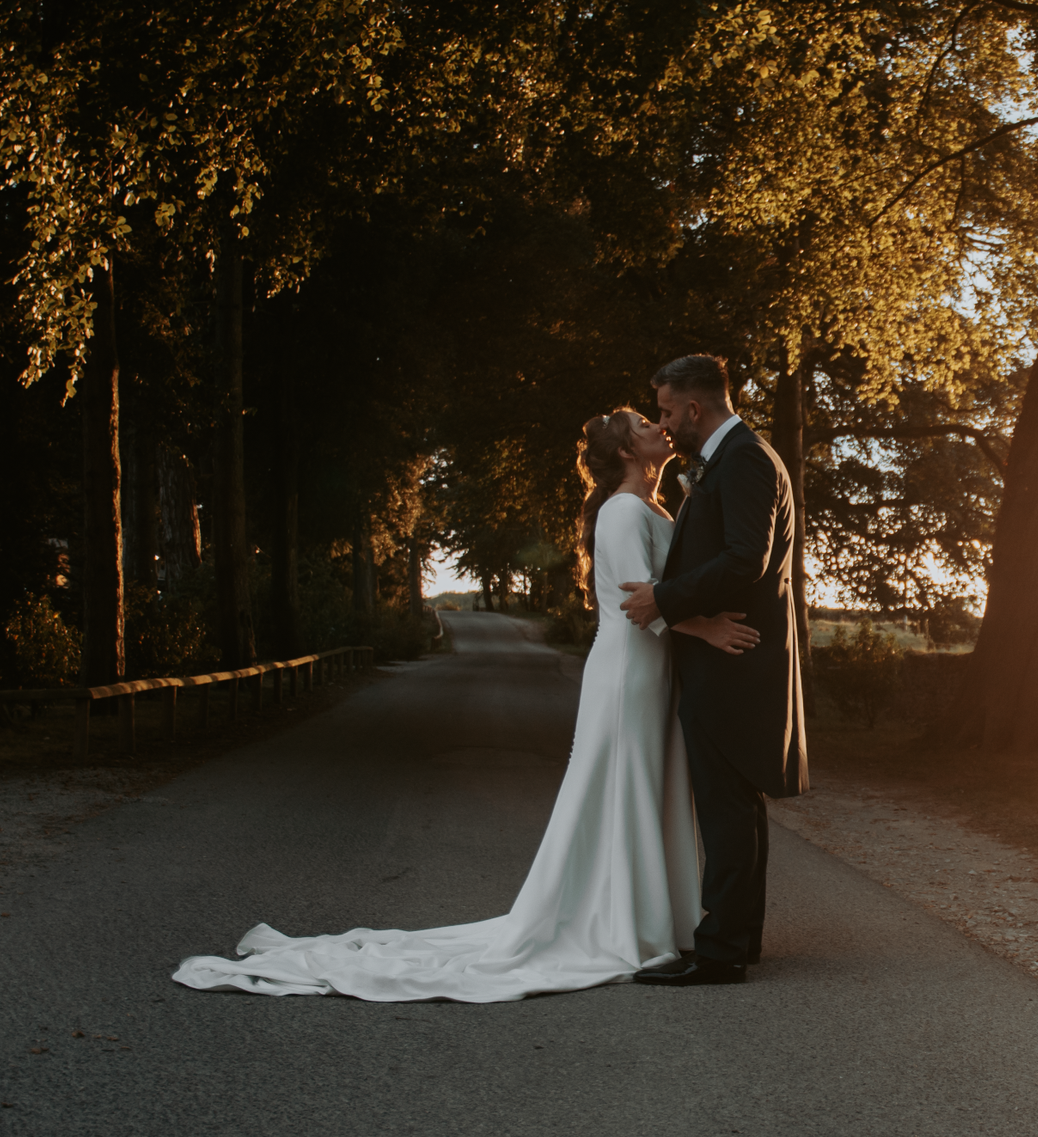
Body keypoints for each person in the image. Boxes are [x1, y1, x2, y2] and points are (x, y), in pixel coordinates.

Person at [170, 408, 759, 1002]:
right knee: (626, 786)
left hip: (655, 668)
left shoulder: (656, 508)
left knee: (649, 785)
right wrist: (707, 628)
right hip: (630, 669)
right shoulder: (624, 511)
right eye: (642, 422)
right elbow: (639, 602)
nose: (660, 426)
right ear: (629, 453)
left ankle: (654, 917)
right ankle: (624, 924)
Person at [616, 352, 808, 987]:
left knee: (725, 809)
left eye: (669, 411)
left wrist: (664, 599)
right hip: (733, 658)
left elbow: (743, 560)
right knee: (738, 807)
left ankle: (721, 951)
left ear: (695, 407)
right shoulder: (734, 458)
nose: (665, 423)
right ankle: (738, 938)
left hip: (730, 662)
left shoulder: (746, 459)